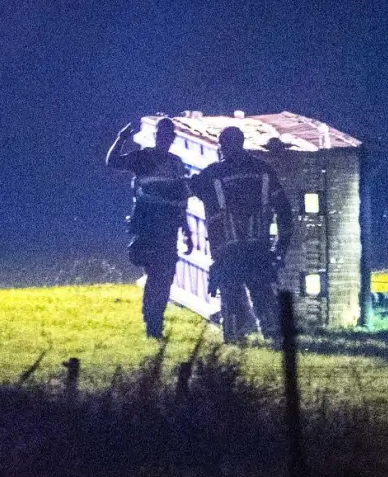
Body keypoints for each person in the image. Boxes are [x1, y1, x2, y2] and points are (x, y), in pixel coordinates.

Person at [189, 126, 294, 344]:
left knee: (231, 296)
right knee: (263, 294)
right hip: (259, 248)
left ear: (224, 145)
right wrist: (280, 248)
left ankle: (236, 341)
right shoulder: (263, 170)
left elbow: (187, 189)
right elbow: (284, 210)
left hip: (227, 250)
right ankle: (274, 339)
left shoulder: (213, 174)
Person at [106, 118, 194, 338]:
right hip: (148, 228)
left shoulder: (176, 163)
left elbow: (181, 199)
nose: (165, 139)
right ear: (157, 136)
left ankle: (155, 322)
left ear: (173, 138)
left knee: (163, 278)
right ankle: (152, 324)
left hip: (168, 230)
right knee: (157, 275)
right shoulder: (143, 157)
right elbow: (113, 162)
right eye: (162, 135)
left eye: (168, 136)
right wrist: (121, 138)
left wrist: (186, 230)